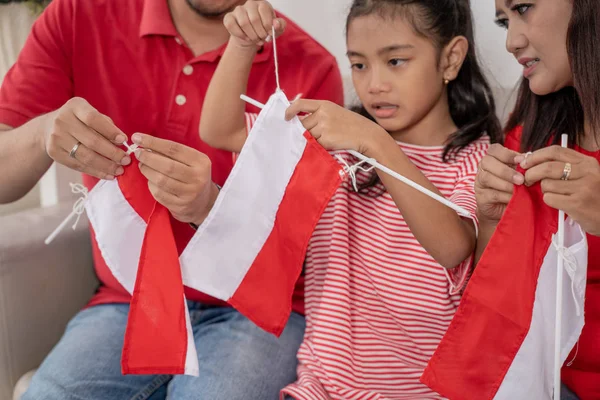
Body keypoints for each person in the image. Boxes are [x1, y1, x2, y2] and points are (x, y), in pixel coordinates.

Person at [0, 0, 343, 398]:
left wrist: (212, 210)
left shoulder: (309, 66)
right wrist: (43, 132)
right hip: (129, 301)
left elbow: (315, 246)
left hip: (254, 311)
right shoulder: (79, 15)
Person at [201, 0, 501, 398]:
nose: (374, 83)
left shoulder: (476, 161)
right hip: (321, 388)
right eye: (359, 65)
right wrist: (240, 44)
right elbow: (219, 130)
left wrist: (376, 142)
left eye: (395, 61)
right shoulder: (338, 145)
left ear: (450, 59)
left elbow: (454, 247)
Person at [476, 1, 600, 399]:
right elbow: (496, 315)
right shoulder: (530, 136)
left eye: (524, 8)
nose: (511, 41)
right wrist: (492, 220)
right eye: (503, 21)